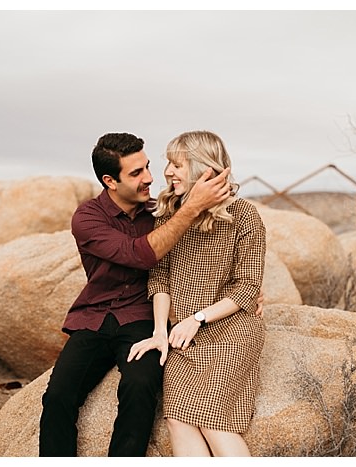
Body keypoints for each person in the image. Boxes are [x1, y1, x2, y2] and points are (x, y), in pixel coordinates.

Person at [38, 132, 234, 457]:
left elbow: (211, 252)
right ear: (109, 181)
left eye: (146, 167)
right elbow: (139, 254)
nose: (150, 178)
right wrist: (190, 209)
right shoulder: (87, 218)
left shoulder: (161, 212)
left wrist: (247, 291)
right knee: (58, 395)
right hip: (94, 317)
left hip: (142, 317)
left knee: (140, 386)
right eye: (136, 173)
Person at [128, 130, 266, 457]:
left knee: (213, 421)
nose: (167, 171)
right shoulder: (169, 214)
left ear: (203, 167)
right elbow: (159, 276)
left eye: (176, 164)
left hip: (230, 331)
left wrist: (197, 318)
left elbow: (247, 286)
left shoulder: (245, 215)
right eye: (168, 163)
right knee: (178, 419)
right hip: (181, 335)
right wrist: (160, 331)